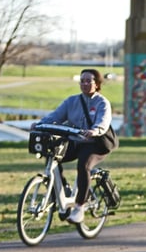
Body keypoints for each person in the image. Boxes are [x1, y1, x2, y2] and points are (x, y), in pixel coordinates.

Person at [31, 68, 117, 224]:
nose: (84, 84)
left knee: (83, 165)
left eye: (88, 81)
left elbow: (103, 122)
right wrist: (40, 124)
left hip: (96, 144)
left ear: (97, 84)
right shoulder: (71, 101)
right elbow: (55, 116)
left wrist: (94, 130)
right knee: (53, 157)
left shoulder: (102, 103)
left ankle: (79, 207)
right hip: (75, 141)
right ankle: (63, 192)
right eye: (82, 81)